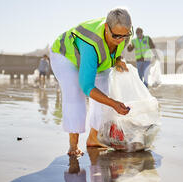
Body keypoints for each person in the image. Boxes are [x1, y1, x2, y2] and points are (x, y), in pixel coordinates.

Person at [50, 8, 132, 156]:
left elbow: (115, 49)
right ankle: (73, 145)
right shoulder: (91, 43)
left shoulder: (123, 33)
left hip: (96, 59)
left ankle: (94, 138)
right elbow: (86, 86)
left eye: (125, 36)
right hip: (65, 56)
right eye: (116, 36)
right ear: (107, 28)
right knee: (75, 93)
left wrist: (118, 60)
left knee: (104, 94)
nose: (121, 40)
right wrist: (114, 103)